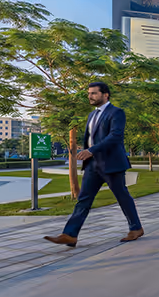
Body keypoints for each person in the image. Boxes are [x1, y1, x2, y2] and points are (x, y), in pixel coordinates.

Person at [44, 81, 144, 248]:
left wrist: (92, 150)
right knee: (83, 199)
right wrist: (85, 150)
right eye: (89, 93)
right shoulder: (92, 115)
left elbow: (115, 137)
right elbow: (92, 138)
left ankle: (136, 228)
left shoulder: (116, 112)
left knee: (122, 197)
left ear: (105, 95)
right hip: (92, 165)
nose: (90, 96)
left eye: (94, 93)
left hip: (111, 163)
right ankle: (70, 235)